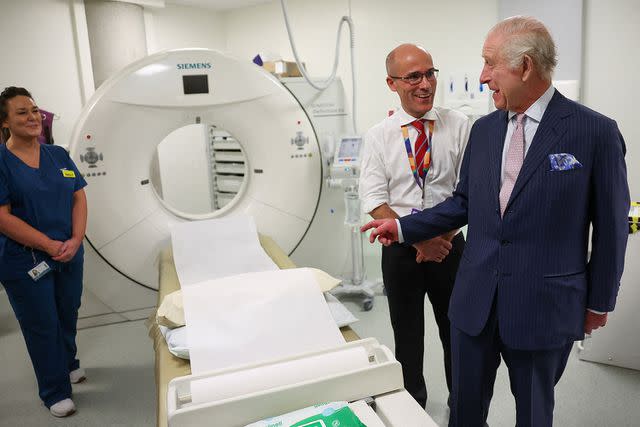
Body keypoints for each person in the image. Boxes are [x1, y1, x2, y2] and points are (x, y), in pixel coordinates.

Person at [361, 16, 629, 427]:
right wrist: (402, 228)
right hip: (474, 301)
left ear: (524, 67)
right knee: (465, 411)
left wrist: (599, 302)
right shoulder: (485, 131)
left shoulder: (594, 132)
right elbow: (465, 201)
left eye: (490, 64)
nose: (483, 77)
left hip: (543, 305)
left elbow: (611, 229)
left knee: (535, 413)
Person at [359, 43, 470, 408]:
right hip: (402, 253)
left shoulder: (459, 126)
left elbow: (469, 192)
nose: (425, 84)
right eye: (413, 77)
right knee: (406, 338)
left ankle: (464, 409)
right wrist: (419, 241)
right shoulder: (380, 135)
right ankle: (413, 409)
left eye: (430, 73)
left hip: (450, 247)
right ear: (392, 83)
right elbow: (374, 199)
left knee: (459, 333)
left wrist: (441, 238)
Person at [0, 87, 88, 417]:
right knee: (42, 323)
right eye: (22, 112)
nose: (33, 117)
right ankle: (54, 390)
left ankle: (68, 364)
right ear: (5, 121)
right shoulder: (2, 162)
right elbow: (2, 217)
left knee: (68, 311)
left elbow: (78, 196)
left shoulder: (58, 155)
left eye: (35, 110)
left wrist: (76, 238)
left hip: (68, 250)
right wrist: (49, 244)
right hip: (25, 259)